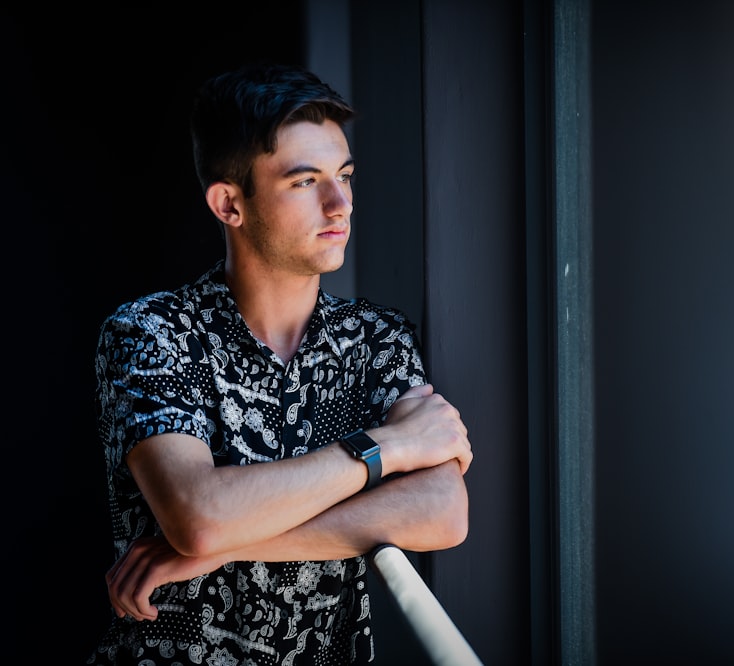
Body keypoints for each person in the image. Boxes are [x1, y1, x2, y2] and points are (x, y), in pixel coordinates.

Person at [86, 62, 473, 665]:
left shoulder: (376, 338)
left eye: (345, 176)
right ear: (229, 205)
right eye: (305, 181)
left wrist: (227, 547)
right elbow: (200, 514)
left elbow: (442, 512)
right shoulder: (151, 332)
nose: (339, 203)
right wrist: (387, 448)